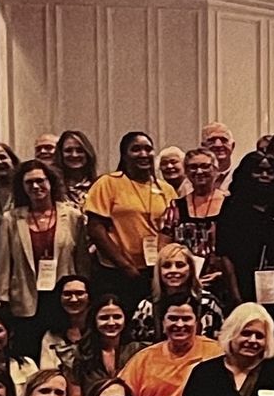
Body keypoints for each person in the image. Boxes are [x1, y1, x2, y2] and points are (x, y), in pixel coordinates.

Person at [215, 149, 274, 352]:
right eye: (259, 171)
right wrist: (235, 293)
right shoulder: (233, 207)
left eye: (270, 172)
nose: (264, 176)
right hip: (245, 283)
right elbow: (225, 254)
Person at [84, 131, 180, 311]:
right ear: (124, 155)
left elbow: (172, 230)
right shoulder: (108, 183)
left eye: (148, 149)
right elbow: (96, 229)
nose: (143, 154)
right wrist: (126, 266)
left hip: (156, 272)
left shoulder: (166, 189)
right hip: (117, 271)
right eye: (136, 149)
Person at [0, 158, 86, 335]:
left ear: (50, 182)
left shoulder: (73, 216)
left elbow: (81, 261)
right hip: (25, 298)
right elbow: (4, 264)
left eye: (40, 181)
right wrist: (2, 298)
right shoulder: (10, 220)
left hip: (64, 298)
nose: (35, 186)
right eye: (29, 182)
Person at [133, 242, 226, 344]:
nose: (173, 270)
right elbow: (139, 348)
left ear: (191, 269)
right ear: (159, 271)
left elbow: (219, 344)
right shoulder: (147, 307)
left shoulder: (208, 303)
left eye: (180, 265)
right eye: (167, 266)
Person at [71, 293, 143, 396]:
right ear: (94, 321)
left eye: (117, 317)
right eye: (104, 318)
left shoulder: (139, 351)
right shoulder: (81, 353)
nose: (111, 322)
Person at [173, 147, 226, 266]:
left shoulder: (231, 204)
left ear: (216, 169)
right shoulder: (175, 207)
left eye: (205, 166)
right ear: (186, 172)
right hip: (185, 277)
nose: (199, 171)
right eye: (193, 167)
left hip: (224, 276)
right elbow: (165, 247)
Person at [40, 274, 94, 377]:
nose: (73, 299)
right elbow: (47, 374)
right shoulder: (51, 336)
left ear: (89, 297)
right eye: (67, 294)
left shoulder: (99, 332)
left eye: (79, 293)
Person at [54, 130, 99, 207]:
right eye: (68, 150)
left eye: (79, 150)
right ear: (60, 154)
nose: (74, 155)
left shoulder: (100, 186)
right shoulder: (53, 188)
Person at [200, 121, 236, 193]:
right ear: (203, 147)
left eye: (223, 140)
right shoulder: (192, 180)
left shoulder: (242, 177)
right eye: (211, 140)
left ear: (232, 146)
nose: (218, 145)